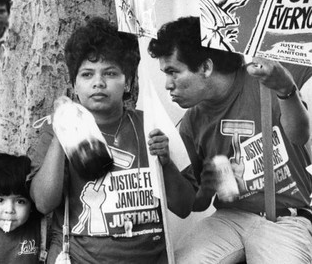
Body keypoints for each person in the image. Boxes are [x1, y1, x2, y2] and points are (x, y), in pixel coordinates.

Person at [28, 17, 195, 264]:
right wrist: (63, 130)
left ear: (127, 82)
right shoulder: (56, 132)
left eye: (110, 73)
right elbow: (43, 203)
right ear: (74, 85)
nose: (98, 82)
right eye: (87, 74)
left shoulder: (151, 125)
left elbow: (184, 207)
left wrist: (166, 163)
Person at [148, 16, 312, 264]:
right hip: (230, 219)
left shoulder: (266, 80)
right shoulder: (191, 121)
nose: (168, 85)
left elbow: (301, 136)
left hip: (286, 219)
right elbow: (193, 205)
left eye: (173, 72)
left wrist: (287, 91)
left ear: (205, 67)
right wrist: (168, 165)